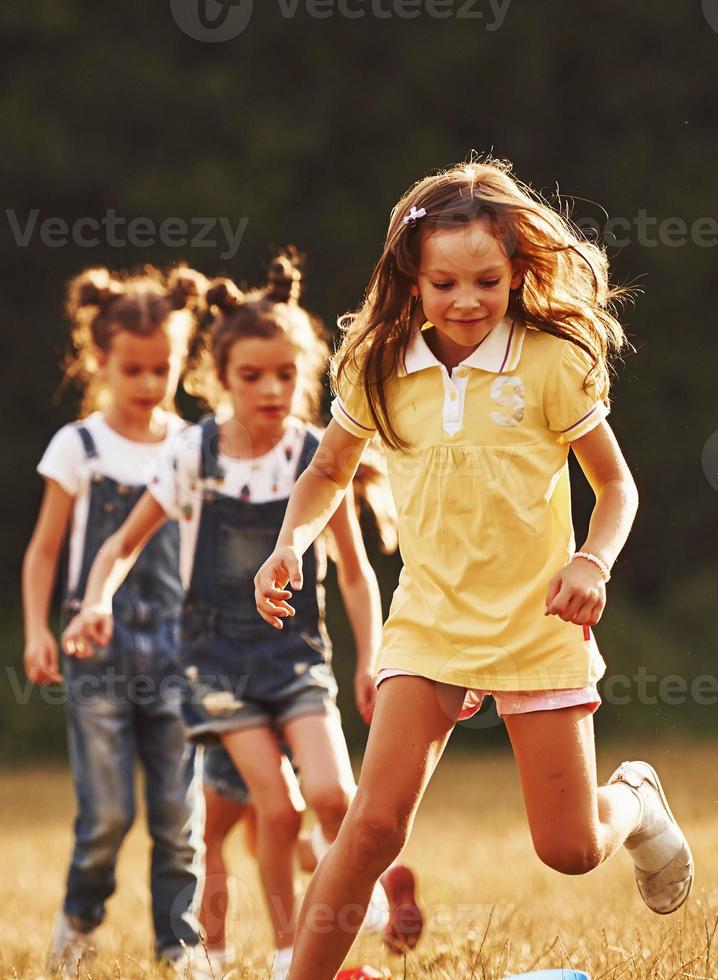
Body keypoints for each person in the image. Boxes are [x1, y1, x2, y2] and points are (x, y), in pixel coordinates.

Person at [253, 159, 694, 980]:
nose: (465, 300)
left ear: (517, 272)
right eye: (444, 282)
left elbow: (616, 485)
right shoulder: (376, 367)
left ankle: (634, 800)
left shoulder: (552, 362)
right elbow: (325, 473)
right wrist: (290, 543)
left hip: (540, 623)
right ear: (411, 281)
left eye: (486, 281)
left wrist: (592, 561)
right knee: (373, 825)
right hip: (429, 623)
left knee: (568, 849)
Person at [65, 256, 415, 980]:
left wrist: (369, 658)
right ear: (217, 378)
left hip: (295, 657)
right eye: (252, 376)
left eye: (286, 375)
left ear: (304, 374)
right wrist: (97, 599)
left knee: (333, 795)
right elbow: (119, 546)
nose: (272, 390)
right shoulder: (194, 455)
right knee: (278, 810)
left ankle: (362, 897)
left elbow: (353, 572)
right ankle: (289, 955)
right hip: (215, 665)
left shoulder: (315, 458)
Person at [21, 265, 208, 976]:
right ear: (100, 360)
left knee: (177, 816)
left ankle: (179, 946)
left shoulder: (192, 446)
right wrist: (38, 630)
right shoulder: (80, 447)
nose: (149, 382)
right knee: (106, 817)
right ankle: (79, 918)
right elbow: (43, 551)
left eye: (163, 367)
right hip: (95, 649)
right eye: (133, 368)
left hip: (178, 650)